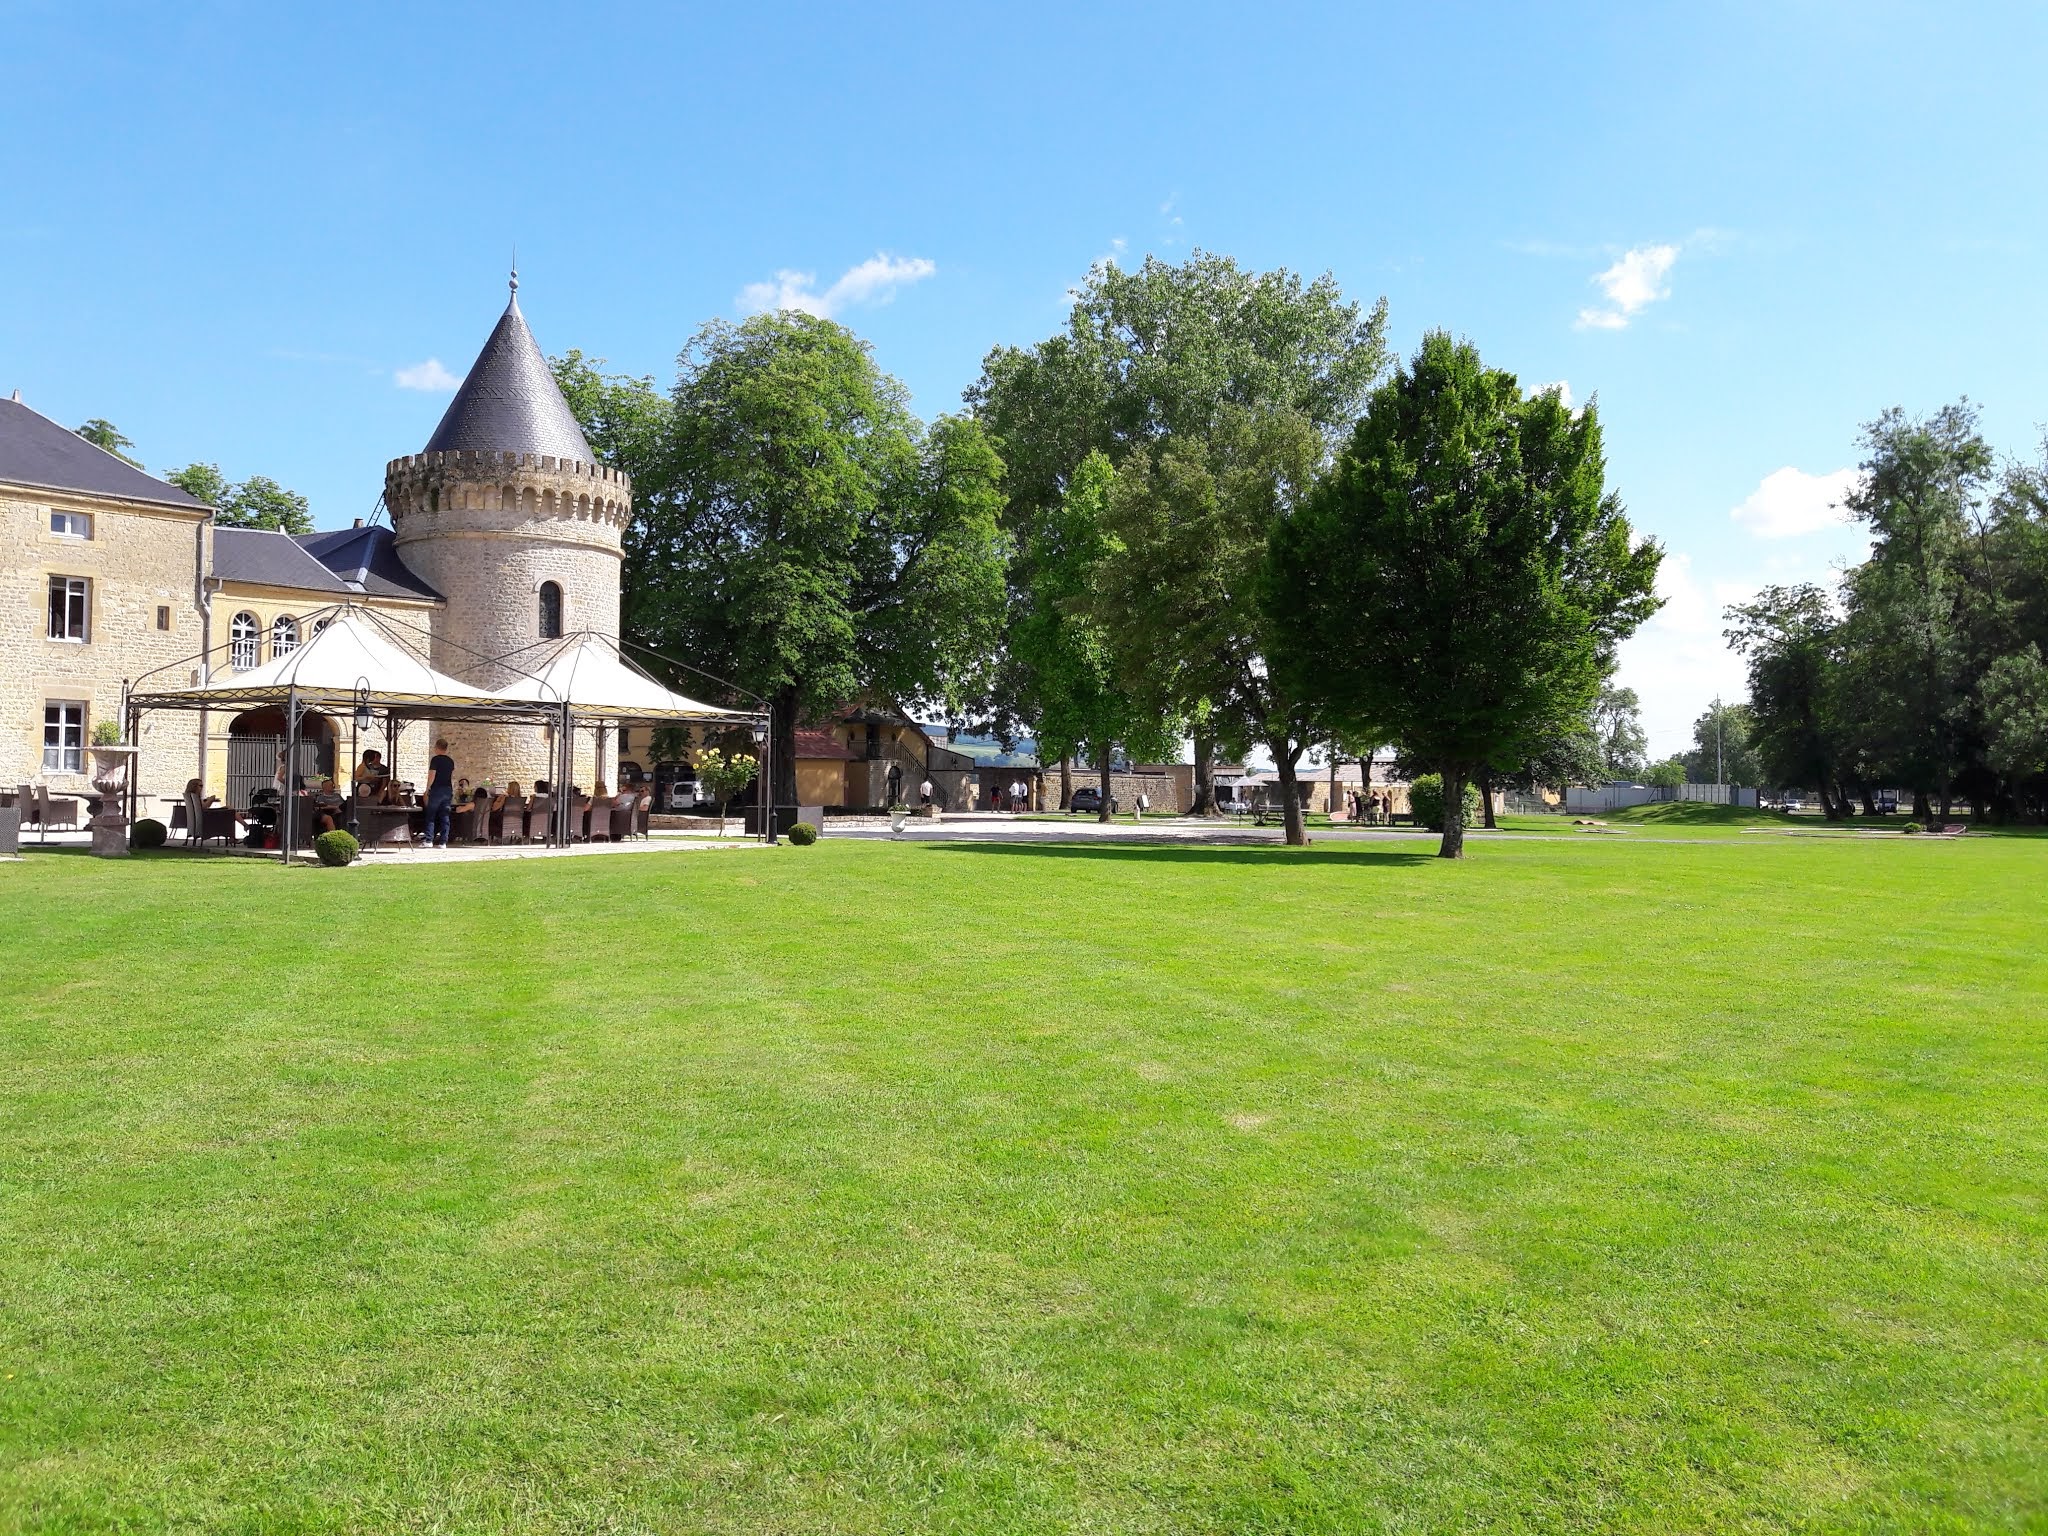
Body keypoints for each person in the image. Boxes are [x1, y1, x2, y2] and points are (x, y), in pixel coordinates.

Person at [424, 738, 455, 848]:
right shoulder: (450, 761)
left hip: (437, 789)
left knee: (431, 814)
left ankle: (429, 840)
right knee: (445, 815)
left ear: (437, 747)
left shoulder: (435, 760)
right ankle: (443, 842)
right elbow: (451, 777)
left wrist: (427, 788)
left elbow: (432, 775)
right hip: (447, 789)